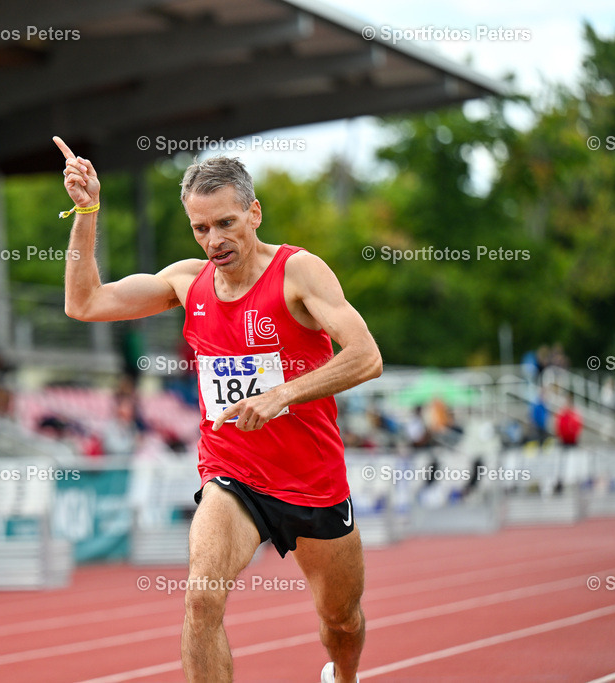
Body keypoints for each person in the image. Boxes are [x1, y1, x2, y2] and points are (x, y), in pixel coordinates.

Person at [55, 137, 382, 683]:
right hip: (232, 476)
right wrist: (87, 212)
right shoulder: (188, 282)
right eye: (201, 229)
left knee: (341, 621)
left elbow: (366, 356)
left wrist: (282, 395)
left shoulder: (299, 273)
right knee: (201, 601)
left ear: (254, 213)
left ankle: (343, 678)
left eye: (226, 223)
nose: (215, 240)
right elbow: (83, 303)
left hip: (313, 481)